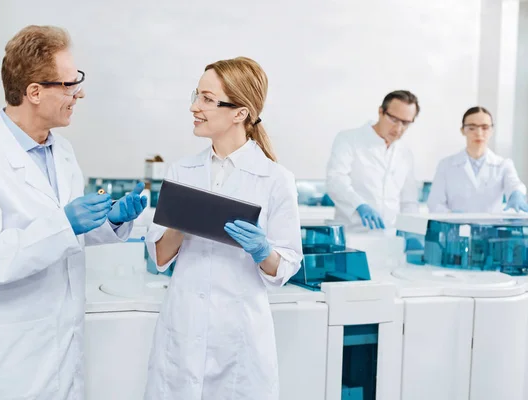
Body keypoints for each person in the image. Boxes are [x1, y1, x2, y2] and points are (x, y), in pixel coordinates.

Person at [0, 25, 147, 399]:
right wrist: (63, 224)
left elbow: (69, 237)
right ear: (34, 92)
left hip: (65, 353)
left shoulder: (62, 152)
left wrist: (111, 220)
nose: (78, 93)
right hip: (13, 360)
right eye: (68, 84)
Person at [144, 57, 303, 400]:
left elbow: (286, 265)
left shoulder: (275, 179)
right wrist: (180, 222)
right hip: (182, 330)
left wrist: (263, 251)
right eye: (196, 95)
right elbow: (159, 256)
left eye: (206, 99)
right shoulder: (181, 171)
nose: (194, 107)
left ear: (240, 113)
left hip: (238, 338)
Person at [325, 90, 420, 232]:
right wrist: (359, 205)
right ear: (381, 112)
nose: (398, 128)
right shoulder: (349, 139)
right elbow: (336, 181)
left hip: (392, 238)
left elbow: (409, 200)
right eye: (394, 119)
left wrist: (412, 232)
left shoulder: (405, 153)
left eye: (405, 123)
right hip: (353, 234)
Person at [427, 106, 528, 213]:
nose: (479, 133)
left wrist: (516, 194)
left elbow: (514, 185)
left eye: (484, 127)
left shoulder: (503, 165)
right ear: (462, 130)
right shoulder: (446, 165)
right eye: (472, 128)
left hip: (491, 228)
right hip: (455, 228)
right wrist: (452, 217)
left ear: (492, 130)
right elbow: (435, 203)